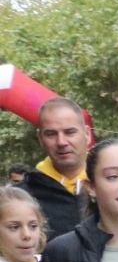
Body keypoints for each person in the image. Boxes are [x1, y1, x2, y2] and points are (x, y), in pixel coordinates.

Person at [22, 97, 89, 241]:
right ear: (40, 139)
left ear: (87, 134)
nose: (61, 142)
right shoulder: (23, 197)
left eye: (70, 132)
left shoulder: (110, 187)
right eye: (51, 134)